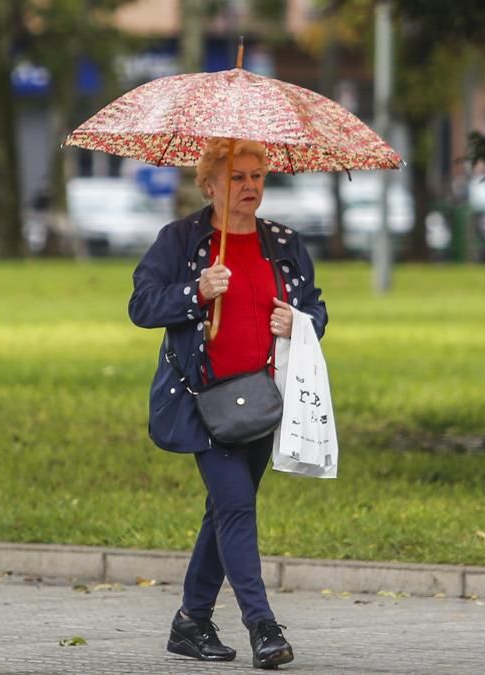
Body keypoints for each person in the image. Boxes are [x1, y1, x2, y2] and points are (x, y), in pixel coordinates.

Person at [128, 138, 328, 669]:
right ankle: (262, 626)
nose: (250, 188)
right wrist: (196, 291)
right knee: (237, 507)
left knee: (224, 511)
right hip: (202, 399)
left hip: (263, 399)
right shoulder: (180, 240)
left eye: (258, 176)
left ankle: (191, 623)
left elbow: (315, 307)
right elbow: (142, 305)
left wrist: (301, 323)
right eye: (238, 177)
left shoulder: (284, 242)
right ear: (210, 184)